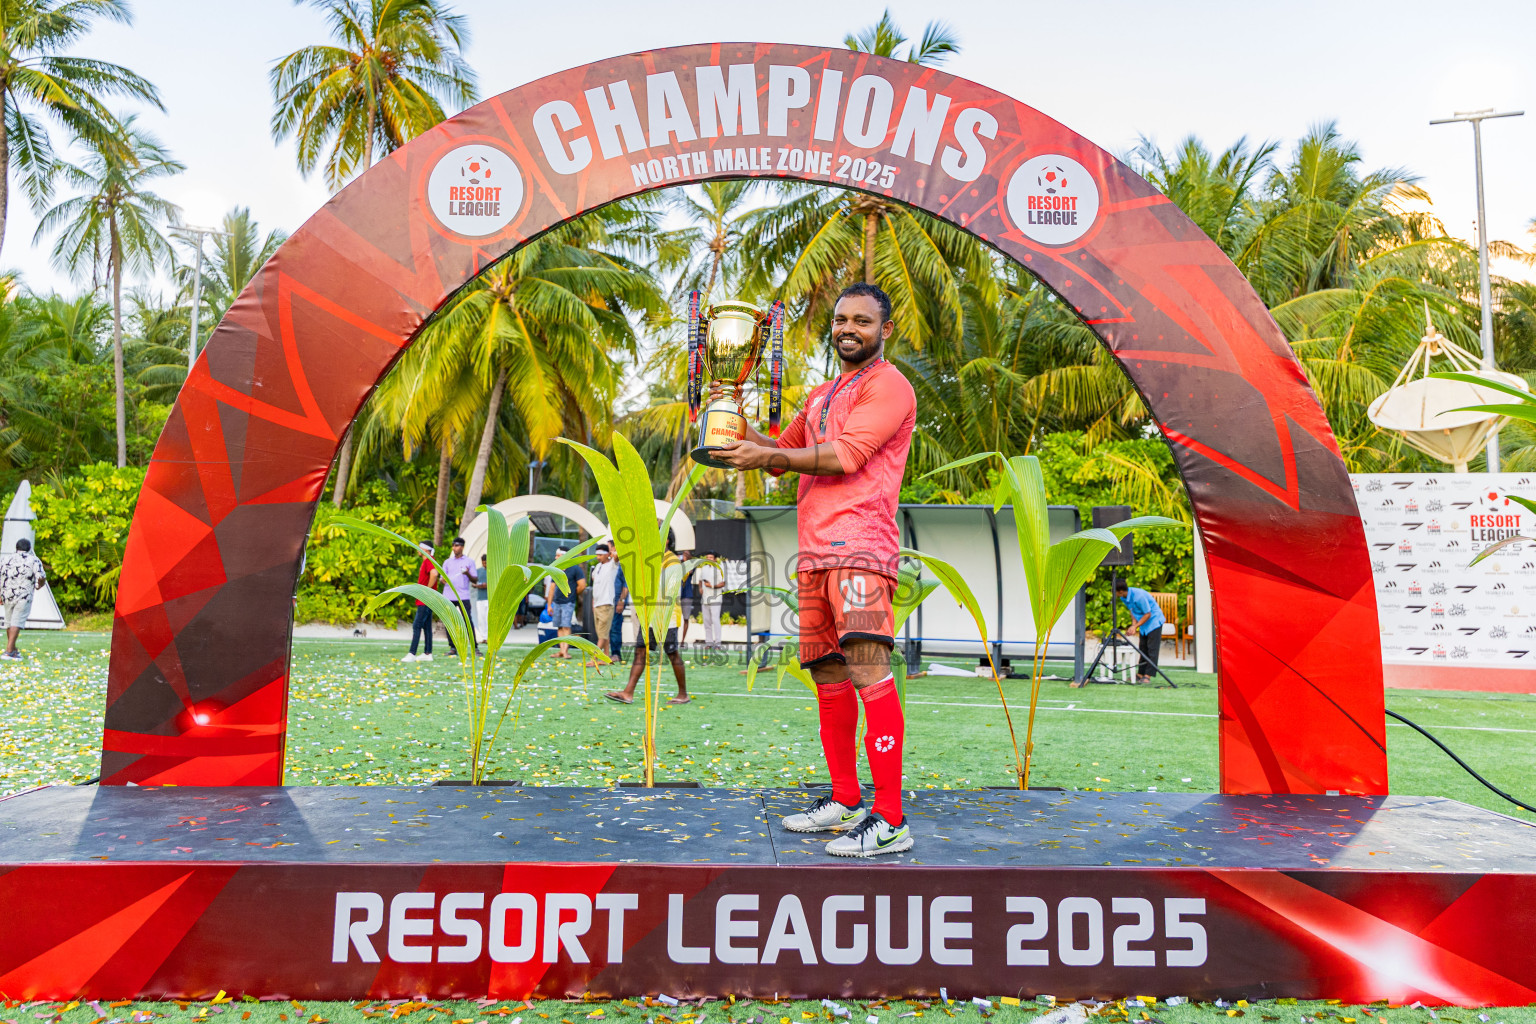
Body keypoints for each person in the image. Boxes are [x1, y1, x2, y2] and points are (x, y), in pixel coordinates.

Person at [713, 282, 916, 858]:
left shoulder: (889, 385)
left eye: (862, 321)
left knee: (868, 671)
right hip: (814, 555)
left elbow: (845, 455)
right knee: (829, 677)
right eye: (840, 319)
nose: (848, 329)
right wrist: (729, 415)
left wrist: (768, 454)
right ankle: (847, 800)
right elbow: (781, 451)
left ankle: (891, 817)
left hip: (861, 551)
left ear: (884, 330)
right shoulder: (824, 393)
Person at [604, 531, 688, 706]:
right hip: (649, 614)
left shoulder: (671, 560)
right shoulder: (650, 558)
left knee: (672, 653)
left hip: (667, 615)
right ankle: (628, 692)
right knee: (640, 651)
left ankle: (683, 694)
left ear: (666, 540)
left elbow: (669, 587)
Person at [0, 538, 47, 660]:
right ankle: (9, 651)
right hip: (23, 595)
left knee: (9, 621)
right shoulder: (33, 559)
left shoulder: (6, 559)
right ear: (29, 548)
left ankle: (13, 650)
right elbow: (41, 576)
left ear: (16, 548)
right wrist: (39, 585)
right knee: (17, 621)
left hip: (7, 594)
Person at [1115, 579, 1165, 684]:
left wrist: (1136, 626)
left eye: (1114, 591)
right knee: (1143, 648)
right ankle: (1140, 674)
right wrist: (1134, 625)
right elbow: (1133, 611)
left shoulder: (1139, 596)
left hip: (1154, 621)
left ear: (1120, 591)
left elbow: (1148, 614)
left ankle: (1147, 676)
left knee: (1152, 649)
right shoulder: (1124, 597)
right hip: (1144, 623)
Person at [439, 537, 478, 656]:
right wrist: (443, 581)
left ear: (462, 547)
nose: (454, 548)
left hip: (463, 596)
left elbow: (475, 579)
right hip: (448, 596)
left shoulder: (469, 561)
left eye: (456, 545)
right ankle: (453, 648)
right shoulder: (447, 562)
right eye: (453, 545)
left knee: (467, 621)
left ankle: (474, 647)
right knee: (449, 622)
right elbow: (441, 578)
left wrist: (467, 573)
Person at [545, 548, 586, 659]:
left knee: (566, 626)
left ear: (564, 556)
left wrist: (572, 594)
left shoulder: (575, 569)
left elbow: (582, 585)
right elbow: (552, 588)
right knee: (559, 627)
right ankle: (561, 651)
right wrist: (549, 605)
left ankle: (565, 651)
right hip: (557, 602)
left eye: (558, 555)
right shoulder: (556, 569)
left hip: (568, 603)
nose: (555, 558)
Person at [588, 543, 620, 669]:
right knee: (603, 634)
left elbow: (618, 556)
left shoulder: (612, 565)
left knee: (602, 634)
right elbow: (595, 586)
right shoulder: (597, 566)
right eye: (597, 554)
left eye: (601, 554)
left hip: (606, 604)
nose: (598, 557)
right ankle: (606, 657)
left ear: (607, 554)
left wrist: (612, 552)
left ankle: (594, 659)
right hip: (597, 604)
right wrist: (593, 603)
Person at [404, 542, 436, 662]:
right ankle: (428, 653)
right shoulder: (429, 560)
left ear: (426, 550)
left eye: (420, 547)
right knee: (427, 626)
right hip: (428, 598)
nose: (418, 549)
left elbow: (434, 573)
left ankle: (412, 653)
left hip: (425, 598)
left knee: (417, 625)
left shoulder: (428, 560)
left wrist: (426, 590)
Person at [696, 551, 725, 649]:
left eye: (711, 557)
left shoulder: (719, 568)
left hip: (716, 599)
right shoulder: (704, 568)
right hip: (705, 599)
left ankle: (718, 643)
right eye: (707, 557)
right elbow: (700, 580)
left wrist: (711, 586)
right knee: (706, 621)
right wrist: (700, 588)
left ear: (715, 559)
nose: (708, 559)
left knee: (715, 620)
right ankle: (709, 642)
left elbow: (723, 583)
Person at [609, 559, 629, 664]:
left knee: (615, 628)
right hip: (608, 601)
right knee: (610, 628)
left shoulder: (623, 564)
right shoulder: (609, 565)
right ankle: (610, 653)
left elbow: (626, 584)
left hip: (617, 601)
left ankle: (616, 654)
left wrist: (621, 600)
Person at [678, 552, 696, 645]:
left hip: (686, 595)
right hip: (677, 595)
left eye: (684, 556)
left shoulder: (691, 565)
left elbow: (689, 572)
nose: (682, 557)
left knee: (685, 618)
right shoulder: (678, 565)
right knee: (675, 618)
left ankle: (682, 640)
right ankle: (673, 638)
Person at [474, 554, 489, 636]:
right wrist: (479, 586)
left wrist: (486, 585)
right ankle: (483, 636)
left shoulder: (492, 571)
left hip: (489, 598)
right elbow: (474, 583)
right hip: (480, 598)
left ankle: (488, 637)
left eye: (486, 563)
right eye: (483, 563)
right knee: (481, 619)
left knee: (488, 619)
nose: (484, 565)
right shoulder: (478, 571)